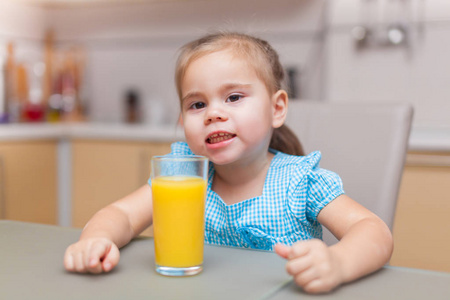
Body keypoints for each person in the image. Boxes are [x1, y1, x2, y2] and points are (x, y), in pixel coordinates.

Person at [64, 32, 393, 294]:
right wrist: (96, 239)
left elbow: (373, 232)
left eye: (234, 97)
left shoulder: (299, 181)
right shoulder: (183, 175)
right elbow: (120, 214)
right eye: (197, 104)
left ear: (277, 108)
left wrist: (338, 262)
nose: (213, 113)